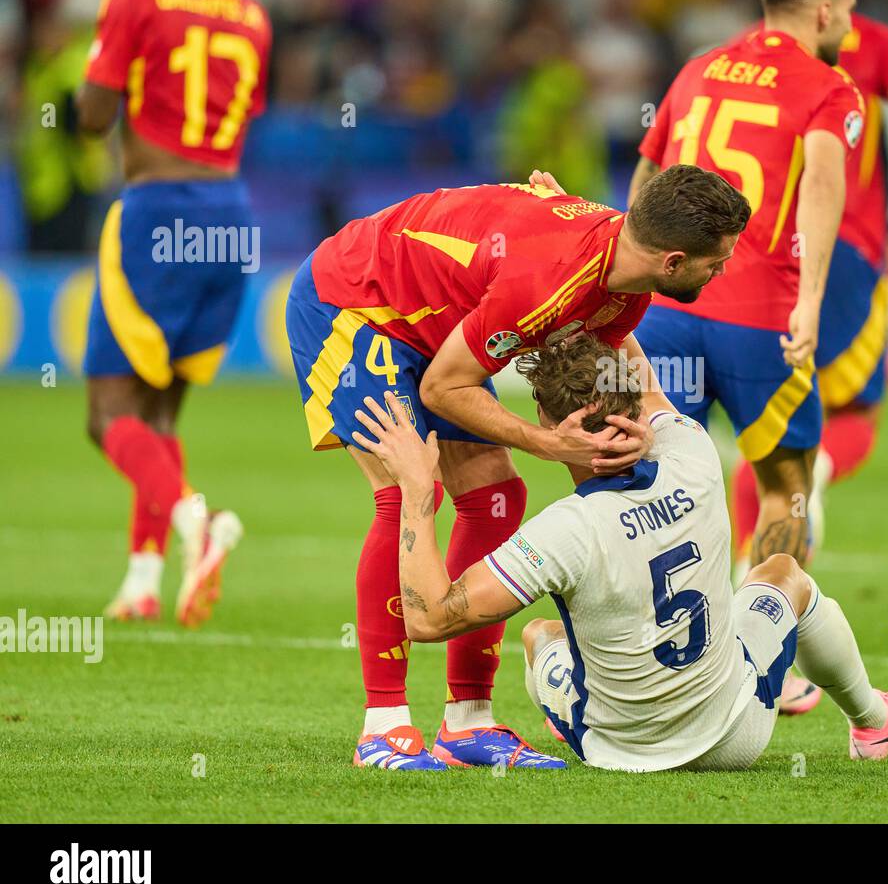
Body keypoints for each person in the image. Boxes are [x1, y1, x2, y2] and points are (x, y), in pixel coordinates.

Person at [285, 166, 750, 770]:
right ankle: (385, 726)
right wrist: (546, 442)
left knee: (497, 497)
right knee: (406, 492)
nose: (723, 271)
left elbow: (609, 342)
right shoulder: (549, 281)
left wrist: (645, 419)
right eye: (717, 260)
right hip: (356, 301)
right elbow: (444, 389)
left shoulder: (625, 270)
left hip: (439, 324)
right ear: (672, 261)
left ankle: (467, 722)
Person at [348, 334, 888, 772]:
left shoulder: (561, 532)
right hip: (736, 736)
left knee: (538, 634)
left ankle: (584, 697)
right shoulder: (692, 451)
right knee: (782, 574)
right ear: (632, 405)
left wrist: (418, 495)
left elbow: (426, 618)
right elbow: (641, 376)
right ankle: (872, 720)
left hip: (611, 749)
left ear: (546, 423)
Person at [729, 0, 888, 640]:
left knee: (751, 426)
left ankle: (727, 594)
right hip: (845, 251)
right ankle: (799, 501)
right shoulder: (876, 45)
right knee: (853, 410)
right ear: (830, 1)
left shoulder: (743, 54)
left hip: (746, 260)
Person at [631, 0, 861, 576]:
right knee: (785, 486)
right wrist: (811, 302)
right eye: (847, 8)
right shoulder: (828, 88)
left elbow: (648, 174)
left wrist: (633, 283)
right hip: (762, 319)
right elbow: (819, 186)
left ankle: (661, 658)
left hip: (666, 311)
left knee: (658, 492)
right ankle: (770, 670)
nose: (849, 21)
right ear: (820, 12)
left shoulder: (697, 68)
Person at [77, 0, 271, 627]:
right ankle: (142, 580)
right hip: (230, 214)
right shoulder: (251, 13)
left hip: (159, 212)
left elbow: (93, 117)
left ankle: (200, 517)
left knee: (108, 417)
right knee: (159, 414)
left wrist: (107, 27)